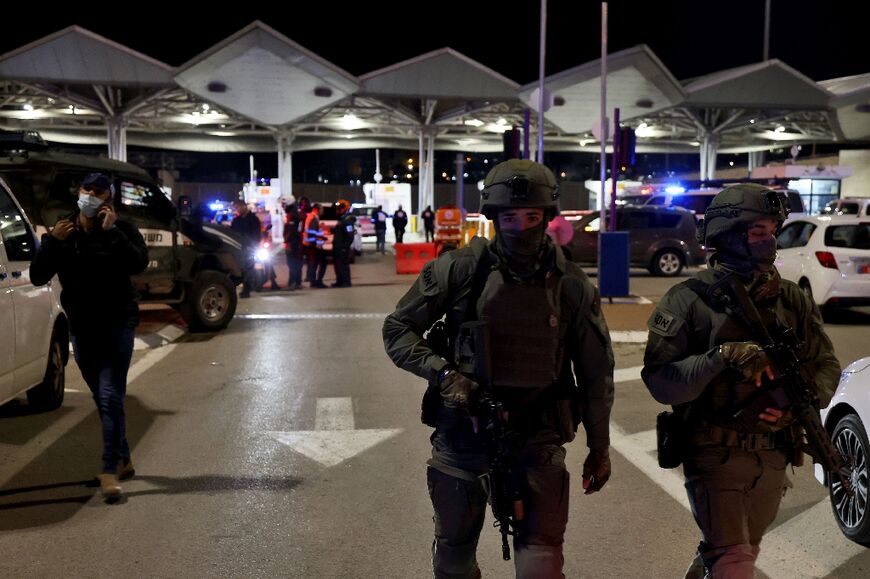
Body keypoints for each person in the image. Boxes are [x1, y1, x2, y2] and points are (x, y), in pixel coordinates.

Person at [383, 159, 614, 578]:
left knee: (541, 563)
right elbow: (398, 329)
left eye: (532, 216)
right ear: (493, 217)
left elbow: (597, 371)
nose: (522, 227)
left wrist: (600, 447)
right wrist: (444, 374)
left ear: (547, 217)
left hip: (537, 436)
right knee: (453, 560)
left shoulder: (572, 285)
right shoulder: (458, 270)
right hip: (462, 436)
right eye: (511, 216)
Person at [641, 183, 840, 578]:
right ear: (729, 236)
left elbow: (827, 364)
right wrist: (721, 357)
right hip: (715, 451)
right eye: (758, 233)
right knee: (735, 561)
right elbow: (661, 381)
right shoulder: (689, 299)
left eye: (772, 231)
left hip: (773, 454)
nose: (770, 243)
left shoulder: (790, 299)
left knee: (742, 548)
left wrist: (795, 404)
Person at [30, 172, 149, 499]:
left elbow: (139, 263)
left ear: (108, 199)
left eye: (99, 192)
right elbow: (38, 275)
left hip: (117, 323)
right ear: (78, 192)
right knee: (103, 397)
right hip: (82, 328)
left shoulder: (121, 230)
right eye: (87, 189)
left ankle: (108, 470)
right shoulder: (63, 230)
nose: (92, 196)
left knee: (110, 394)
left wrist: (112, 234)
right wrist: (52, 241)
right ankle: (123, 456)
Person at [230, 199, 262, 298]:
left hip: (249, 248)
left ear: (244, 206)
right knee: (240, 269)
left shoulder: (253, 219)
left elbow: (256, 234)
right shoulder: (237, 220)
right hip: (238, 248)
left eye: (238, 207)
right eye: (236, 208)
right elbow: (232, 233)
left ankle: (247, 289)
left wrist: (251, 245)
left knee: (248, 269)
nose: (237, 210)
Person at [331, 199, 356, 287]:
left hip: (342, 247)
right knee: (338, 264)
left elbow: (350, 235)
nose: (337, 210)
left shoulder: (348, 219)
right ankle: (340, 281)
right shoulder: (342, 219)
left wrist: (345, 246)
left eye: (339, 208)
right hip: (338, 246)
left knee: (343, 265)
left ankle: (345, 282)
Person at [303, 203, 328, 288]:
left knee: (314, 263)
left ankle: (313, 282)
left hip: (310, 244)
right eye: (321, 210)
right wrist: (318, 241)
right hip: (314, 245)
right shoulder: (313, 218)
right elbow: (312, 232)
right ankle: (318, 281)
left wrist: (321, 236)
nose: (322, 211)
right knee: (323, 262)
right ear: (316, 209)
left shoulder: (310, 216)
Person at [283, 198, 304, 290]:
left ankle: (293, 283)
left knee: (292, 263)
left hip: (293, 243)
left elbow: (291, 231)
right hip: (297, 243)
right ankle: (297, 282)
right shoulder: (295, 213)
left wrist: (288, 243)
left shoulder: (292, 215)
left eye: (284, 204)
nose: (283, 206)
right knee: (296, 263)